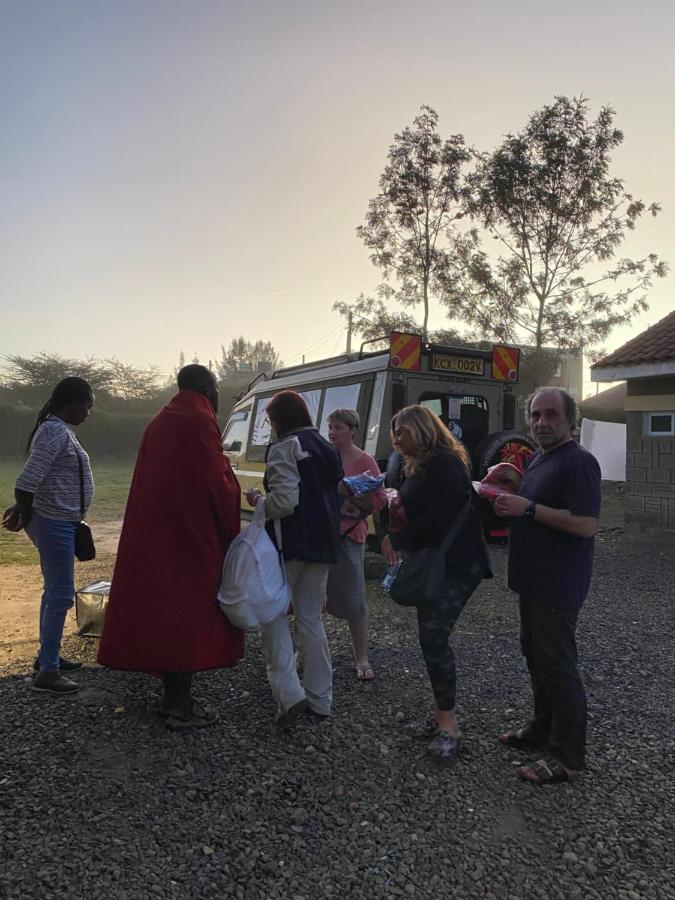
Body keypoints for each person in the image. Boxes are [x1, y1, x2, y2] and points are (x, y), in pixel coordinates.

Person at [97, 365, 244, 730]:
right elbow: (216, 483)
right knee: (187, 616)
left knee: (164, 613)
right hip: (188, 540)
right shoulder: (198, 419)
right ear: (208, 388)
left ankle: (170, 698)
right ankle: (180, 707)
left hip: (156, 535)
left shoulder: (162, 419)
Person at [494, 387, 601, 785]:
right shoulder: (541, 457)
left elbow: (587, 525)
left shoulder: (580, 462)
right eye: (536, 415)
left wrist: (530, 508)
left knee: (558, 665)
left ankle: (567, 755)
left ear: (570, 419)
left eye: (552, 415)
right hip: (532, 580)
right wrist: (510, 493)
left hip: (558, 584)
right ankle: (542, 728)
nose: (542, 422)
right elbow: (532, 504)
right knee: (536, 658)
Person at [381, 405, 492, 763]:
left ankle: (449, 726)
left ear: (424, 429)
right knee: (430, 637)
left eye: (404, 431)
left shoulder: (444, 463)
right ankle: (440, 716)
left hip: (459, 564)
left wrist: (397, 540)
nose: (397, 439)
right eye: (394, 432)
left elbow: (440, 517)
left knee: (433, 637)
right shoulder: (419, 464)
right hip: (440, 563)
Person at [246, 390, 342, 728]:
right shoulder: (325, 446)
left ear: (279, 421)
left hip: (290, 545)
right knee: (310, 620)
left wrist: (259, 500)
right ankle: (320, 699)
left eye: (270, 421)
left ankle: (288, 694)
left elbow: (285, 502)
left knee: (271, 615)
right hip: (325, 544)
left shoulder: (285, 447)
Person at [2, 377, 95, 694]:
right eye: (87, 405)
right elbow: (25, 481)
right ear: (73, 402)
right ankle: (48, 672)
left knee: (54, 592)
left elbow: (38, 479)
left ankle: (47, 658)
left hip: (59, 519)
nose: (88, 412)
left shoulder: (59, 429)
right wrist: (26, 512)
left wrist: (24, 509)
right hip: (54, 521)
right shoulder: (55, 431)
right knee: (60, 594)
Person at [325, 408, 386, 681]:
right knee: (311, 597)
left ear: (353, 430)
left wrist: (355, 501)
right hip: (322, 535)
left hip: (349, 535)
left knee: (354, 599)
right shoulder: (323, 457)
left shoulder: (365, 460)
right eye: (330, 427)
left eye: (338, 427)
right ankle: (305, 652)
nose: (333, 432)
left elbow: (380, 500)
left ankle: (361, 655)